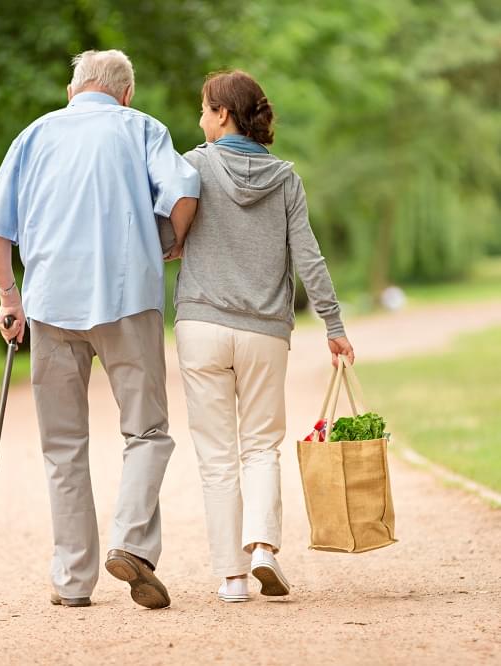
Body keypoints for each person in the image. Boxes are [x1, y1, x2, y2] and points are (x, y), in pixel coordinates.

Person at [0, 49, 200, 609]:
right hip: (127, 300)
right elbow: (184, 192)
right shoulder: (143, 129)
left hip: (51, 305)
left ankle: (73, 581)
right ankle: (130, 543)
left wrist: (10, 298)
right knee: (147, 432)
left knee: (62, 446)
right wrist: (168, 243)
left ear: (72, 89)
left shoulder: (33, 135)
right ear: (125, 92)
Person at [174, 70, 354, 602]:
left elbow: (167, 233)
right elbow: (309, 259)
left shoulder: (194, 166)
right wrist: (334, 325)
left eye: (206, 109)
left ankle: (231, 577)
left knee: (216, 454)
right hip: (264, 334)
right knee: (260, 447)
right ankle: (263, 550)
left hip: (202, 325)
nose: (201, 119)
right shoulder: (286, 179)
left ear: (224, 115)